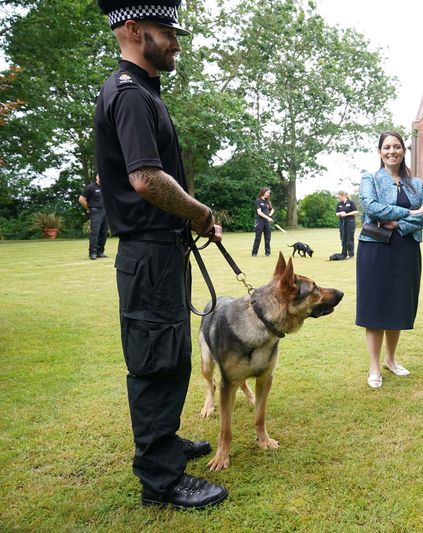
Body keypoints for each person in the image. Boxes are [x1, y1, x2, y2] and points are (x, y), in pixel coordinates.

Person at [94, 0, 227, 509]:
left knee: (172, 353)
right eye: (166, 31)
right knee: (154, 360)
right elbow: (146, 179)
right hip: (149, 255)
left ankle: (166, 445)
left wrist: (193, 220)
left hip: (162, 251)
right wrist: (198, 212)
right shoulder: (129, 95)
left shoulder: (145, 91)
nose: (175, 41)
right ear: (132, 29)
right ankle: (161, 480)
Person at [357, 132, 423, 389]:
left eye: (397, 146)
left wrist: (397, 223)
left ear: (403, 150)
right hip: (376, 250)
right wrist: (410, 212)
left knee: (398, 305)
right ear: (380, 151)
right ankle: (374, 366)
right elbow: (370, 207)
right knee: (376, 307)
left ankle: (391, 359)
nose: (392, 151)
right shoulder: (370, 178)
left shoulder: (417, 183)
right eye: (387, 147)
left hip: (406, 249)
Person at [78, 174, 108, 260]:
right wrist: (89, 208)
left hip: (105, 212)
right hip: (95, 212)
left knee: (104, 232)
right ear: (97, 177)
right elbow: (81, 199)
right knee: (95, 232)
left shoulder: (106, 187)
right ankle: (93, 253)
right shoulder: (91, 187)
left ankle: (100, 252)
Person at [251, 187, 274, 257]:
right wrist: (267, 217)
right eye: (267, 192)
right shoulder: (258, 201)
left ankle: (268, 253)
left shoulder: (267, 202)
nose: (268, 194)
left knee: (267, 238)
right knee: (258, 238)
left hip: (267, 222)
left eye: (269, 193)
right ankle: (254, 253)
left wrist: (269, 215)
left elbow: (272, 209)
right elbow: (259, 212)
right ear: (263, 192)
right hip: (260, 221)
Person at [336, 190, 357, 258]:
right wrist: (341, 213)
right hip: (342, 223)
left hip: (350, 222)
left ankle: (351, 254)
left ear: (343, 196)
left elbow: (356, 211)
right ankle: (343, 254)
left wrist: (346, 214)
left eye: (339, 197)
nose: (339, 198)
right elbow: (336, 213)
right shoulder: (339, 204)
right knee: (343, 237)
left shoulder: (351, 203)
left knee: (349, 238)